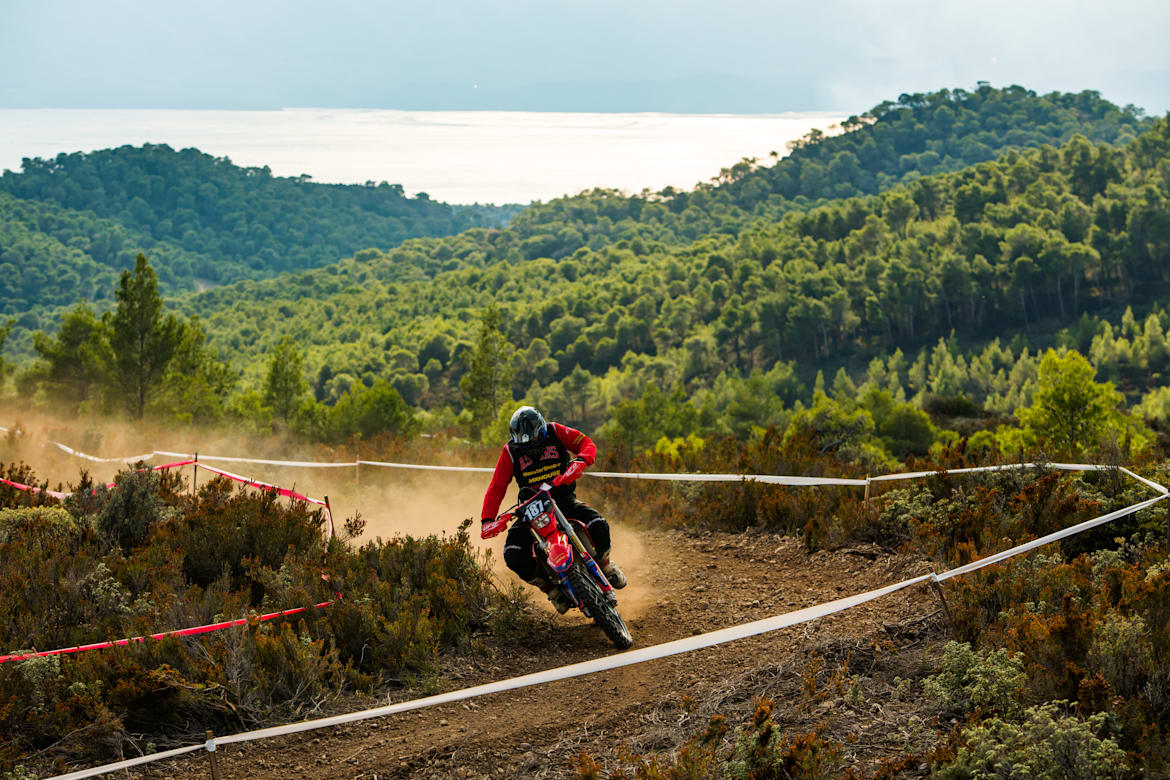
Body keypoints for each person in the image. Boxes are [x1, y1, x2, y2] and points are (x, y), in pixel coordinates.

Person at [480, 405, 627, 613]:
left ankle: (605, 564)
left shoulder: (556, 431)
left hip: (562, 498)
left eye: (534, 439)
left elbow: (585, 443)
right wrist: (487, 520)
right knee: (513, 553)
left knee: (599, 525)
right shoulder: (510, 452)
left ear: (541, 428)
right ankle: (551, 590)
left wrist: (582, 460)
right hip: (532, 507)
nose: (530, 446)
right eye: (524, 443)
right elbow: (497, 487)